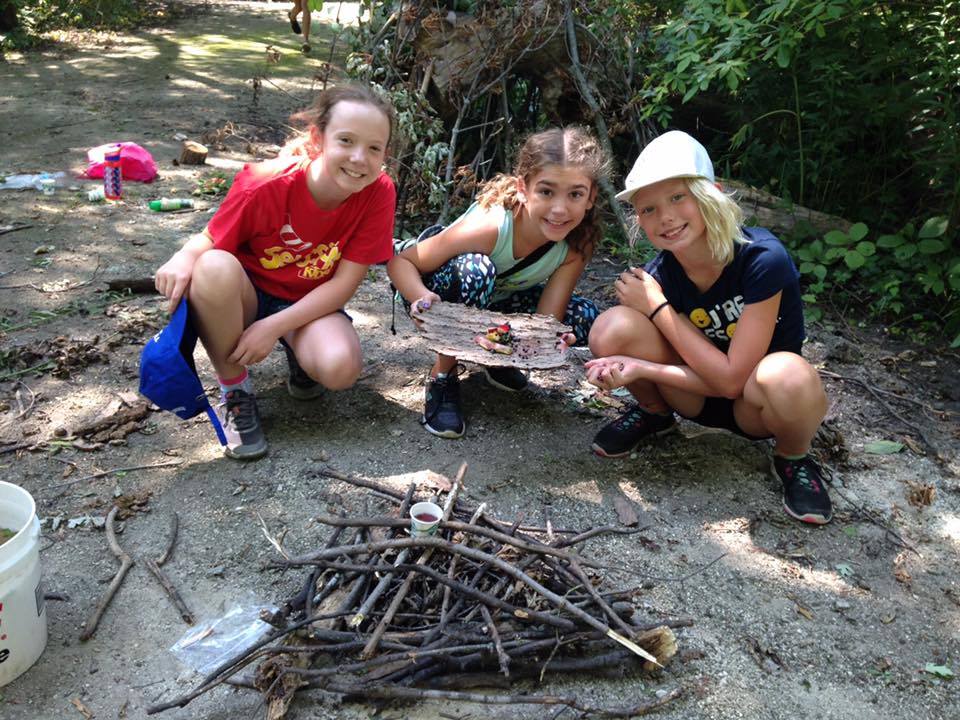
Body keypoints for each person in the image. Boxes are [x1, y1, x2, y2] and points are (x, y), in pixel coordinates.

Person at [585, 131, 832, 525]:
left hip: (756, 404)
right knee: (610, 329)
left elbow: (732, 382)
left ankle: (792, 456)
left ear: (711, 194)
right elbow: (646, 346)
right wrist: (623, 362)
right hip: (691, 394)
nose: (665, 217)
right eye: (648, 209)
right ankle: (655, 414)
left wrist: (658, 312)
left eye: (677, 197)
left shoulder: (762, 260)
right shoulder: (659, 276)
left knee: (789, 375)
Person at [154, 84, 396, 460]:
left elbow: (344, 283)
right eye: (346, 140)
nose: (359, 158)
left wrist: (273, 327)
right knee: (213, 265)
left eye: (374, 148)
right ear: (318, 138)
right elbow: (212, 237)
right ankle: (235, 390)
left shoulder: (378, 192)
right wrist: (184, 256)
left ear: (384, 155)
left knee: (340, 368)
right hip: (247, 295)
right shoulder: (265, 182)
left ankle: (302, 361)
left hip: (308, 302)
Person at [388, 127, 608, 439]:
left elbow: (546, 319)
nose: (560, 209)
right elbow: (402, 263)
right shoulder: (490, 227)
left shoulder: (577, 244)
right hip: (440, 293)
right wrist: (421, 298)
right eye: (546, 192)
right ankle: (442, 376)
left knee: (584, 317)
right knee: (477, 271)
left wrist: (546, 341)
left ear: (591, 197)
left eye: (575, 194)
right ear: (523, 188)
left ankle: (497, 359)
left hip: (494, 306)